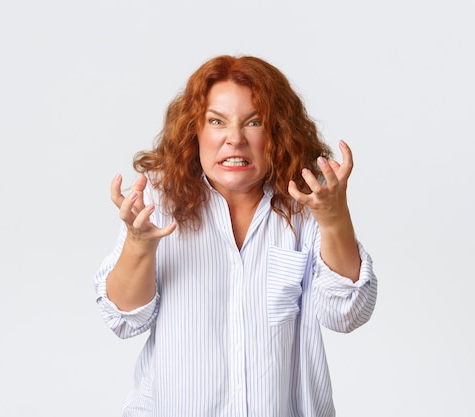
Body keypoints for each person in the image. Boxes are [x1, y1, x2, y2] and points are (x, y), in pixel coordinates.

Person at [94, 55, 378, 417]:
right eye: (217, 121)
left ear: (276, 132)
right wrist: (139, 244)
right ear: (195, 130)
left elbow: (347, 314)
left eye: (254, 122)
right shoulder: (157, 201)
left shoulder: (307, 204)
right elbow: (123, 320)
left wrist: (335, 218)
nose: (234, 139)